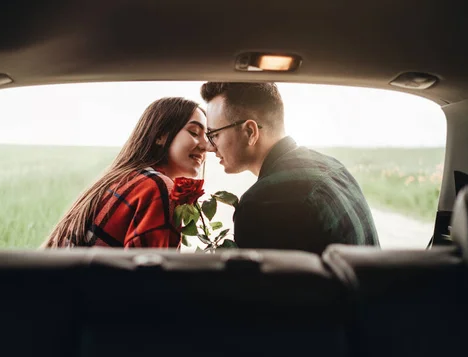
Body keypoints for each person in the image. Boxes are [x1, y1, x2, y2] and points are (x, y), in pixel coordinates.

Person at [200, 82, 379, 254]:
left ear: (250, 132)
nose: (209, 147)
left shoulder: (261, 204)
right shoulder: (333, 166)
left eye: (214, 134)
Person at [43, 97, 207, 248]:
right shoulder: (156, 186)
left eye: (208, 137)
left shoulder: (123, 178)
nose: (206, 145)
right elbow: (151, 276)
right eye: (194, 132)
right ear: (161, 136)